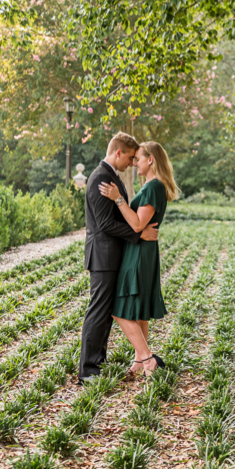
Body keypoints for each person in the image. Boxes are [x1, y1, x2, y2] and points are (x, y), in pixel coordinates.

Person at [78, 133, 159, 384]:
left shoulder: (111, 176)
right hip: (102, 256)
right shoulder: (101, 177)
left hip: (111, 256)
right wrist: (139, 234)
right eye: (130, 158)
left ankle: (98, 364)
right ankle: (88, 372)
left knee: (104, 314)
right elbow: (104, 223)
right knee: (98, 312)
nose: (132, 164)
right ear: (118, 153)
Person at [98, 141, 179, 376]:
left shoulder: (154, 187)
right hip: (141, 250)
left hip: (140, 252)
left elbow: (136, 224)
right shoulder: (152, 186)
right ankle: (138, 362)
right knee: (139, 308)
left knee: (118, 308)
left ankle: (147, 358)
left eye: (139, 159)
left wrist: (118, 199)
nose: (135, 164)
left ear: (151, 160)